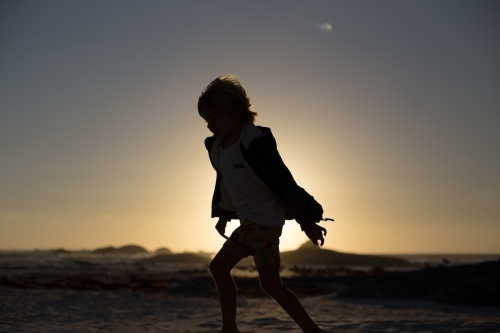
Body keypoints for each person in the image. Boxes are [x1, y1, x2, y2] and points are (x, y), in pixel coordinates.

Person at [198, 75, 328, 333]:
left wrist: (307, 224)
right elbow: (226, 183)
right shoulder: (218, 148)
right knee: (270, 285)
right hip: (255, 222)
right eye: (206, 120)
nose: (209, 126)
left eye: (214, 118)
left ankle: (229, 328)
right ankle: (313, 330)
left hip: (263, 221)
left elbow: (284, 183)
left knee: (218, 266)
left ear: (234, 112)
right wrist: (224, 214)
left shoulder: (255, 142)